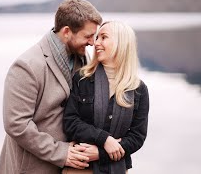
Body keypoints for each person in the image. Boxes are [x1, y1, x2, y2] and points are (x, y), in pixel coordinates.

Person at [0, 0, 103, 174]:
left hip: (69, 167)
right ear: (67, 32)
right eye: (88, 36)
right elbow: (16, 124)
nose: (92, 42)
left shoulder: (83, 58)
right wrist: (61, 152)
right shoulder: (27, 66)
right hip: (31, 167)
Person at [63, 21, 150, 174]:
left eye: (103, 37)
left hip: (118, 169)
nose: (96, 43)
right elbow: (70, 122)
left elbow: (137, 137)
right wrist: (104, 139)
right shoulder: (82, 79)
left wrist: (100, 153)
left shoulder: (139, 89)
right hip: (81, 168)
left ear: (121, 43)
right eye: (97, 38)